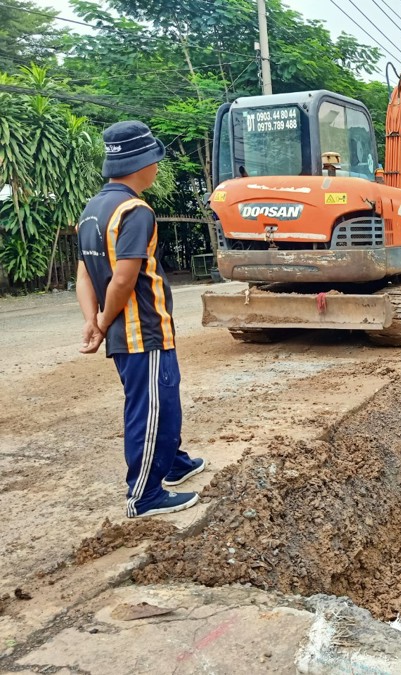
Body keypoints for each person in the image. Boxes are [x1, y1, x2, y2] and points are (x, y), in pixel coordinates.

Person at [76, 121, 205, 519]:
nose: (157, 169)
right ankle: (144, 495)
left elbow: (84, 273)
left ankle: (173, 462)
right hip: (141, 332)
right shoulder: (135, 210)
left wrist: (94, 320)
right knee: (149, 409)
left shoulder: (92, 209)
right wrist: (103, 319)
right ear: (144, 164)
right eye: (156, 162)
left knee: (164, 401)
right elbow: (125, 277)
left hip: (127, 331)